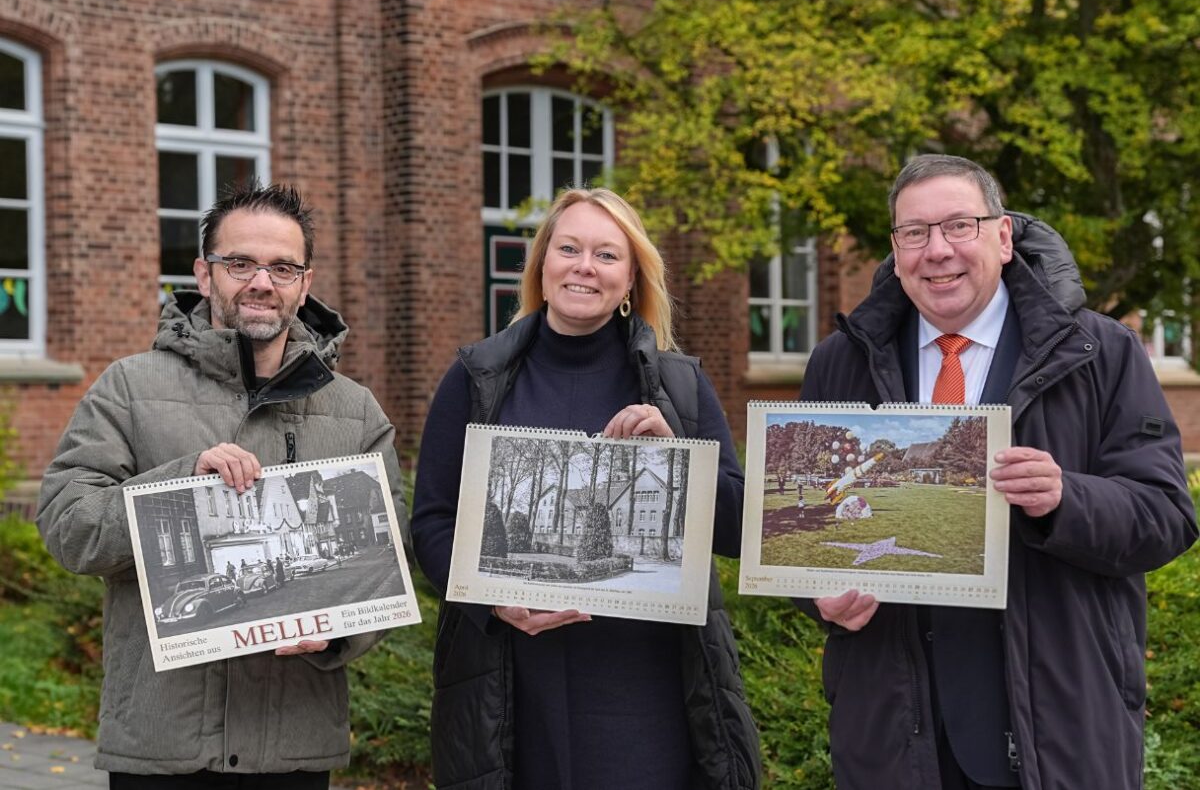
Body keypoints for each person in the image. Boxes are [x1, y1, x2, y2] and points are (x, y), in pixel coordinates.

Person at [798, 154, 1198, 790]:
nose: (938, 251)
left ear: (1003, 236)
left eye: (960, 225)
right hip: (894, 728)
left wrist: (1067, 498)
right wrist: (818, 597)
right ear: (896, 250)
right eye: (915, 233)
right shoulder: (841, 363)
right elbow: (805, 541)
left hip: (1055, 722)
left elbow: (1166, 517)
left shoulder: (1099, 353)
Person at [37, 181, 406, 789]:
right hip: (161, 746)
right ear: (205, 276)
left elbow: (384, 557)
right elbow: (68, 528)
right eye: (240, 263)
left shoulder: (357, 412)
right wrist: (182, 487)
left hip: (292, 748)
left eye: (282, 267)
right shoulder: (128, 388)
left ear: (305, 283)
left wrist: (339, 632)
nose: (262, 282)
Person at [411, 187, 760, 790]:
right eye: (568, 248)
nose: (584, 267)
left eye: (606, 255)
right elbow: (433, 522)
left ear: (631, 281)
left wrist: (676, 451)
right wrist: (489, 600)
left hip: (648, 687)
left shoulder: (680, 387)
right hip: (512, 682)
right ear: (543, 264)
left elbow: (739, 527)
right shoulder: (476, 377)